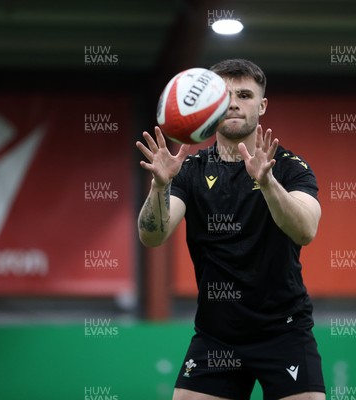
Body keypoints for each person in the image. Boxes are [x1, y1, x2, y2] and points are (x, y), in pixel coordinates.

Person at [136, 59, 326, 400]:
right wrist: (160, 186)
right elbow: (152, 236)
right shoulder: (190, 170)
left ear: (262, 105)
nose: (235, 102)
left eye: (245, 94)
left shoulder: (289, 168)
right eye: (225, 95)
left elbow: (306, 230)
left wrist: (267, 185)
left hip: (284, 331)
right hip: (216, 335)